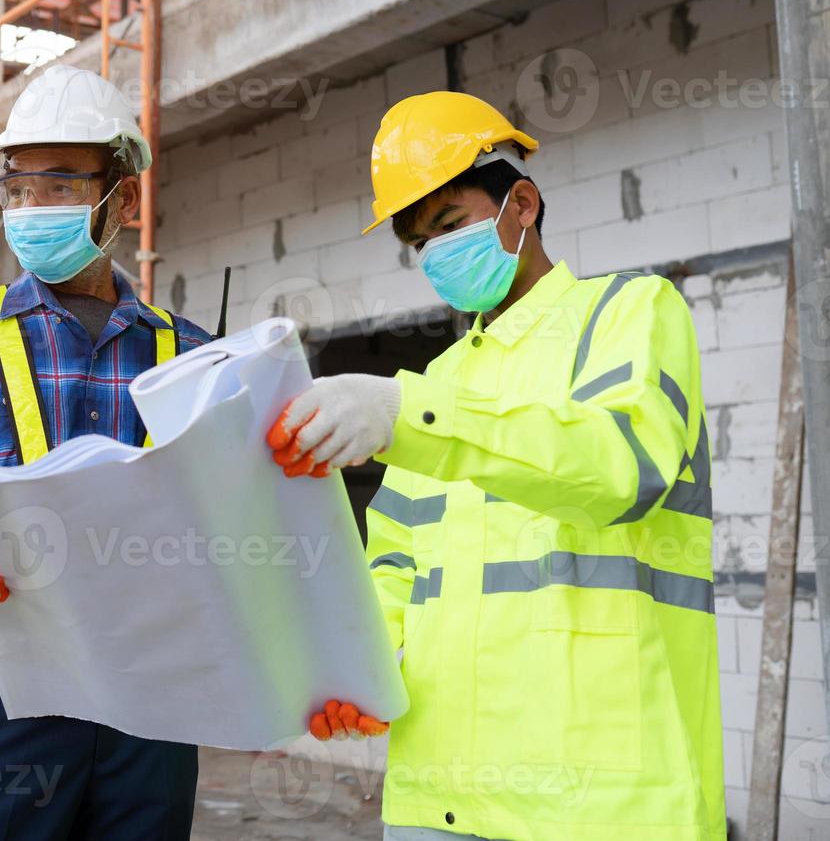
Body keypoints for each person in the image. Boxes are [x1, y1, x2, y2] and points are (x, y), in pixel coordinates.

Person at [266, 92, 724, 840]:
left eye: (450, 224)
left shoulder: (629, 315)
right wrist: (356, 674)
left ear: (522, 203)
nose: (437, 251)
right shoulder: (438, 381)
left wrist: (406, 415)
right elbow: (395, 569)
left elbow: (620, 469)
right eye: (421, 241)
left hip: (599, 803)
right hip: (442, 796)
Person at [0, 65, 210, 839]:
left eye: (59, 186)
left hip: (153, 695)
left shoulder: (194, 354)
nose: (33, 209)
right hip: (1, 687)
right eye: (19, 189)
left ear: (123, 197)